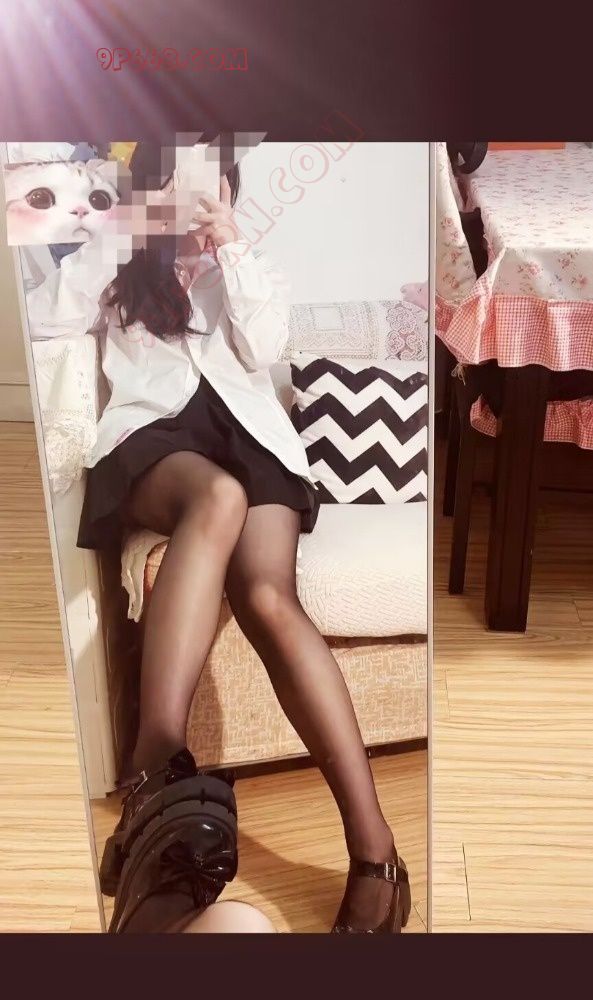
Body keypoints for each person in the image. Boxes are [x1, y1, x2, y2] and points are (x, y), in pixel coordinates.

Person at [27, 142, 410, 934]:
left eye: (210, 179)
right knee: (216, 496)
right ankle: (155, 759)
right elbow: (45, 317)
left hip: (253, 441)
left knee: (269, 596)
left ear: (228, 189)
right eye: (174, 177)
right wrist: (131, 227)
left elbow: (265, 348)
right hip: (154, 442)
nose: (192, 193)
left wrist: (230, 246)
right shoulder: (120, 262)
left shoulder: (247, 266)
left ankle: (375, 853)